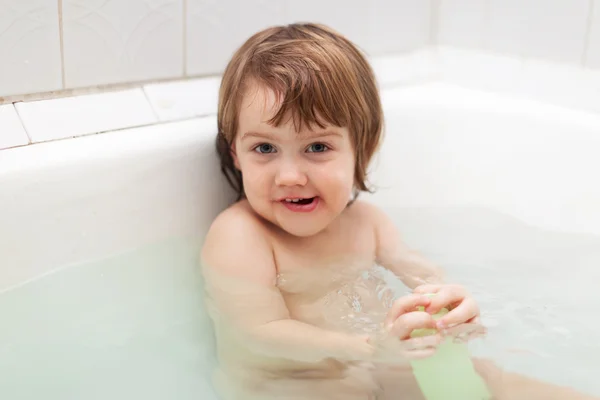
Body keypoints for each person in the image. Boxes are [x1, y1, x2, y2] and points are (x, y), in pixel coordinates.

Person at [201, 23, 596, 400]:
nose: (289, 175)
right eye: (265, 149)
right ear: (236, 153)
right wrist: (371, 348)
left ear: (362, 148)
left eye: (317, 147)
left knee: (493, 380)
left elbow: (424, 278)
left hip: (376, 371)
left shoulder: (368, 225)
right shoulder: (241, 235)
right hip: (284, 389)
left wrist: (452, 310)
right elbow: (260, 331)